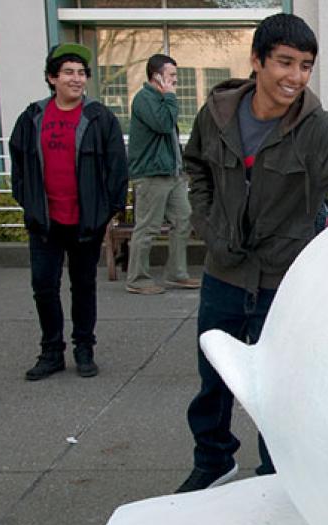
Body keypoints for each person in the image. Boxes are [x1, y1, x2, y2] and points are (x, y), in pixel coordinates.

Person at [180, 13, 328, 493]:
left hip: (283, 281)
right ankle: (213, 460)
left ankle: (276, 477)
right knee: (214, 379)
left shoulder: (315, 128)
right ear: (256, 61)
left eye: (305, 66)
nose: (295, 77)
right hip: (224, 272)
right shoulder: (217, 114)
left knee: (281, 389)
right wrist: (207, 222)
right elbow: (197, 165)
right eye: (285, 62)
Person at [10, 43, 127, 381]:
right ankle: (51, 351)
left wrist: (108, 211)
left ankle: (84, 347)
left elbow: (117, 168)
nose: (76, 79)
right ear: (52, 78)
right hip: (44, 221)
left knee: (83, 286)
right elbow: (19, 166)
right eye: (68, 73)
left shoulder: (100, 117)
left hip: (85, 222)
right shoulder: (32, 117)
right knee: (44, 286)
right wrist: (28, 202)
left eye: (81, 73)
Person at [123, 53, 199, 295]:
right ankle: (137, 278)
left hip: (172, 173)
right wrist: (170, 98)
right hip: (152, 173)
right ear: (156, 76)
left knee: (183, 219)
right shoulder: (145, 99)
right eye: (172, 75)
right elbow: (163, 124)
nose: (175, 80)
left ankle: (177, 273)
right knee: (148, 227)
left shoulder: (162, 100)